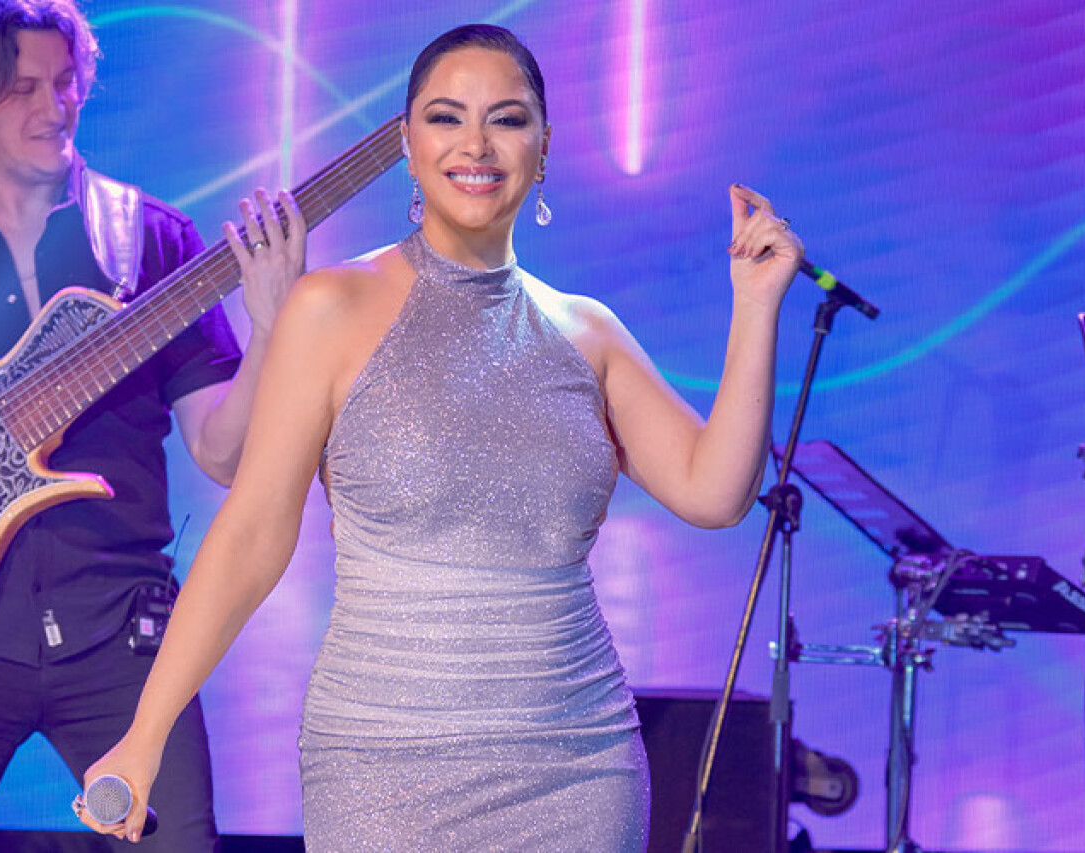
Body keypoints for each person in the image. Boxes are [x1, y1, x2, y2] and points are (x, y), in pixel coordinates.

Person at [80, 23, 803, 850]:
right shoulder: (330, 309)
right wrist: (145, 733)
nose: (476, 144)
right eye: (446, 117)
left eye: (507, 118)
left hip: (578, 768)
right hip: (381, 769)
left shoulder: (587, 332)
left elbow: (717, 492)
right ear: (406, 143)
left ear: (544, 145)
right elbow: (250, 535)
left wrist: (756, 306)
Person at [0, 1, 306, 850]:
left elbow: (221, 451)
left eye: (65, 83)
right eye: (22, 89)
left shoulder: (150, 238)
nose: (54, 108)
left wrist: (270, 326)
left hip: (121, 633)